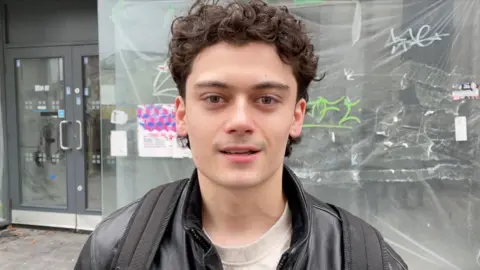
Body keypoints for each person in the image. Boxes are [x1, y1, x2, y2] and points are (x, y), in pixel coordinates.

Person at [75, 1, 408, 269]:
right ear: (181, 115)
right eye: (215, 99)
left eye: (266, 99)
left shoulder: (364, 258)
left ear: (296, 116)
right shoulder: (116, 249)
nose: (240, 122)